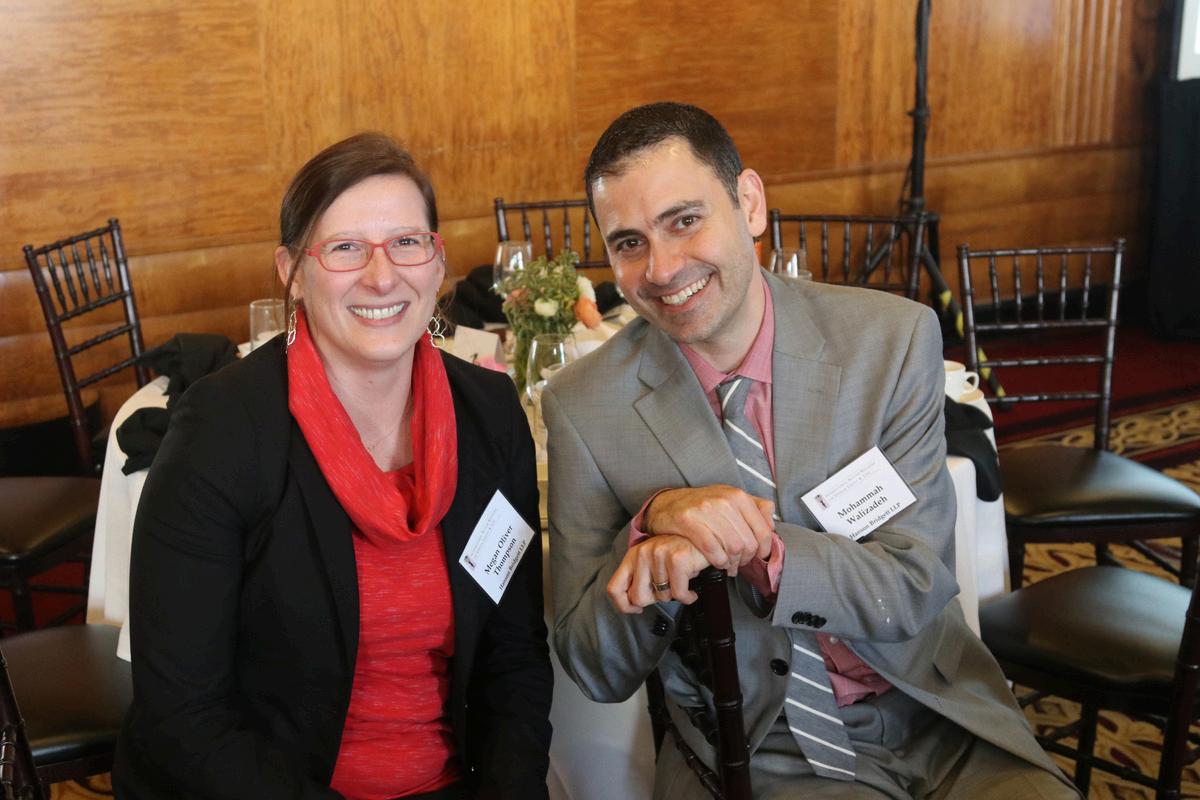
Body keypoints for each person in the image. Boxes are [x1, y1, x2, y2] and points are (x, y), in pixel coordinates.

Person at [542, 103, 1078, 799]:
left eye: (685, 220)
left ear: (750, 204)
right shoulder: (585, 406)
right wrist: (648, 533)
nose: (663, 268)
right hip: (754, 749)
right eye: (629, 242)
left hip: (939, 715)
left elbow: (915, 585)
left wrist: (758, 550)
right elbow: (594, 667)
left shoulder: (888, 341)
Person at [114, 132, 552, 800]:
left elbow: (515, 657)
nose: (382, 276)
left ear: (437, 263)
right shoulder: (222, 432)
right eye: (346, 248)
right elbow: (183, 716)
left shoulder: (489, 415)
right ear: (292, 272)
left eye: (406, 242)